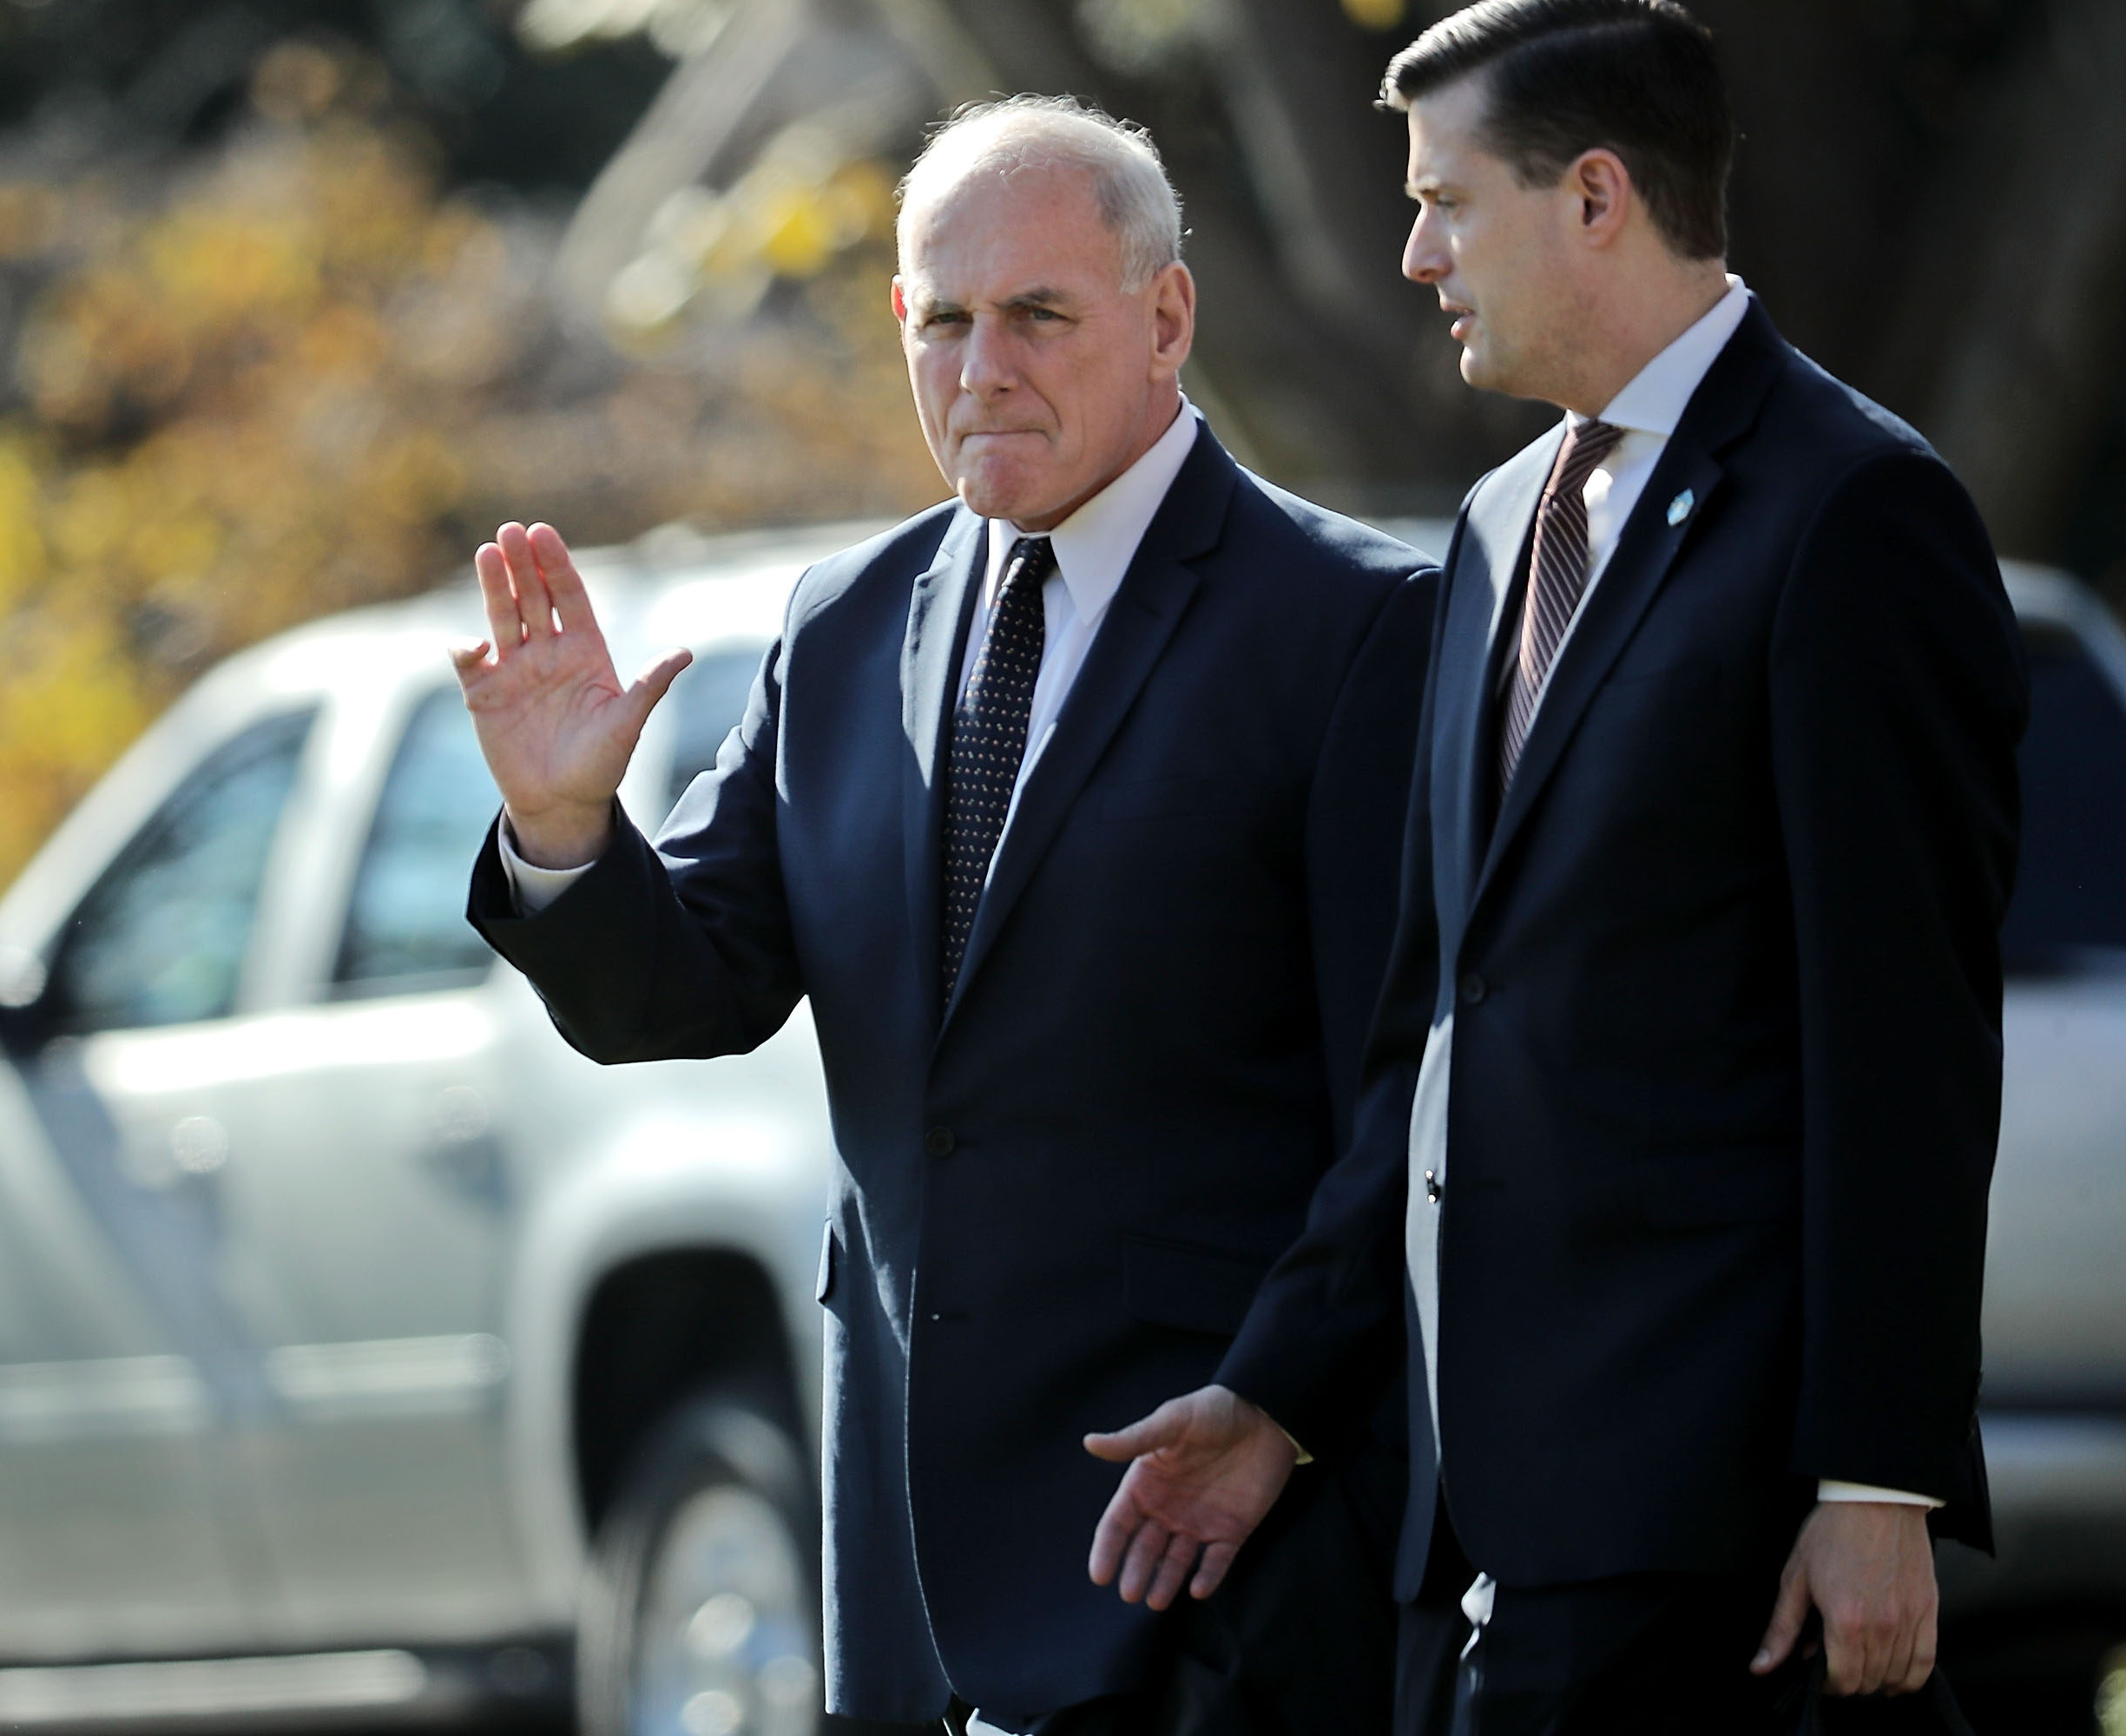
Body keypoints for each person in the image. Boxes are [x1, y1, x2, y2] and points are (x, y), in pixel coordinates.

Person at [1083, 3, 2027, 1730]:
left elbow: (1904, 1046)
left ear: (1596, 195)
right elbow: (1434, 1036)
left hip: (1722, 1517)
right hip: (1478, 1512)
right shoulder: (1500, 523)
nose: (1414, 250)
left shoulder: (1854, 516)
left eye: (1449, 201)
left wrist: (1876, 1480)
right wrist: (1283, 1391)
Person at [454, 97, 1437, 1736]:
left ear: (1166, 316)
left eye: (1040, 313)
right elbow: (680, 988)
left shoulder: (1351, 625)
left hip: (1207, 1556)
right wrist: (565, 830)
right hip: (911, 1578)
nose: (983, 366)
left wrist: (1281, 1401)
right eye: (945, 319)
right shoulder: (844, 626)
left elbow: (1411, 1087)